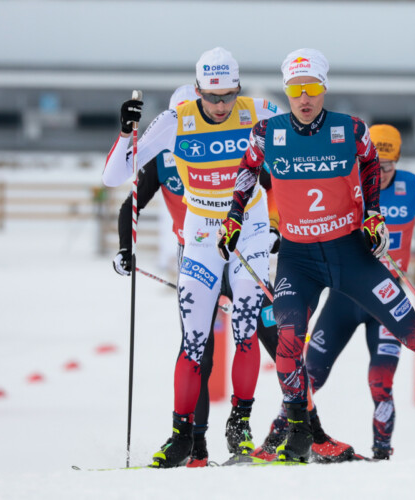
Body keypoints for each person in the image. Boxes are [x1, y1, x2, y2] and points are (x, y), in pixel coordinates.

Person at [217, 48, 415, 463]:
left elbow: (370, 163)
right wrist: (233, 217)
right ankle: (297, 429)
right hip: (299, 260)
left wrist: (372, 213)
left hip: (350, 253)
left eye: (312, 88)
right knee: (288, 341)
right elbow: (246, 169)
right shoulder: (267, 133)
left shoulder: (349, 129)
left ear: (324, 88)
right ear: (287, 90)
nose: (304, 98)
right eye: (296, 89)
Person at [103, 47, 283, 468]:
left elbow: (293, 163)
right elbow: (114, 177)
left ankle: (240, 424)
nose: (220, 107)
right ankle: (183, 436)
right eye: (211, 97)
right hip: (201, 237)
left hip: (249, 233)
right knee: (194, 342)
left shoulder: (259, 111)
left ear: (238, 89)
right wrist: (127, 132)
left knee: (245, 330)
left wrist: (282, 224)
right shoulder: (175, 121)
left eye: (228, 96)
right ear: (197, 90)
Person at [306, 124, 415, 460]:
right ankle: (287, 438)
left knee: (380, 382)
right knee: (308, 377)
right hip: (344, 298)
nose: (379, 172)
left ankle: (381, 453)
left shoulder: (413, 186)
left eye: (387, 166)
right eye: (372, 163)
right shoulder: (345, 183)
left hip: (388, 301)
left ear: (398, 161)